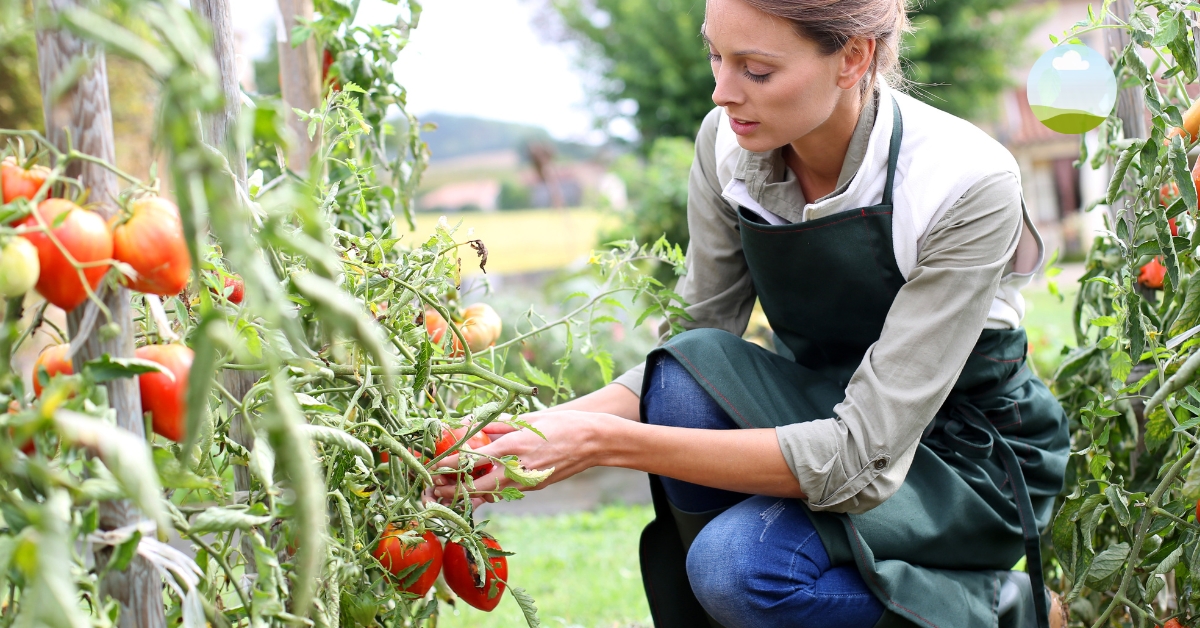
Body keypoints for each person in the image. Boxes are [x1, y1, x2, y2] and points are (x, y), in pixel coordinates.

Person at [431, 0, 1071, 625]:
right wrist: (515, 437)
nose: (721, 92)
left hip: (965, 458)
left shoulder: (964, 182)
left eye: (756, 71)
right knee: (688, 372)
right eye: (715, 56)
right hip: (822, 407)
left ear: (853, 57)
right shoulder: (728, 148)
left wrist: (603, 444)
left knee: (737, 569)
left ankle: (995, 610)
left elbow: (859, 457)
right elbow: (686, 351)